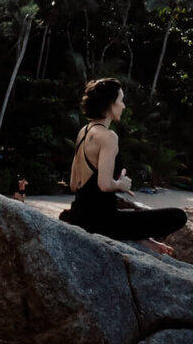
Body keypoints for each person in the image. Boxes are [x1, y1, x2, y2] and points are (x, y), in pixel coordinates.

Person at [64, 78, 186, 254]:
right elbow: (104, 184)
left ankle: (143, 240)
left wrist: (114, 183)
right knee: (178, 216)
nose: (123, 106)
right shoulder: (108, 136)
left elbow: (74, 184)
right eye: (121, 100)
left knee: (131, 215)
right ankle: (140, 238)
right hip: (100, 223)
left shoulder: (84, 131)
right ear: (109, 104)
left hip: (78, 215)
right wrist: (121, 185)